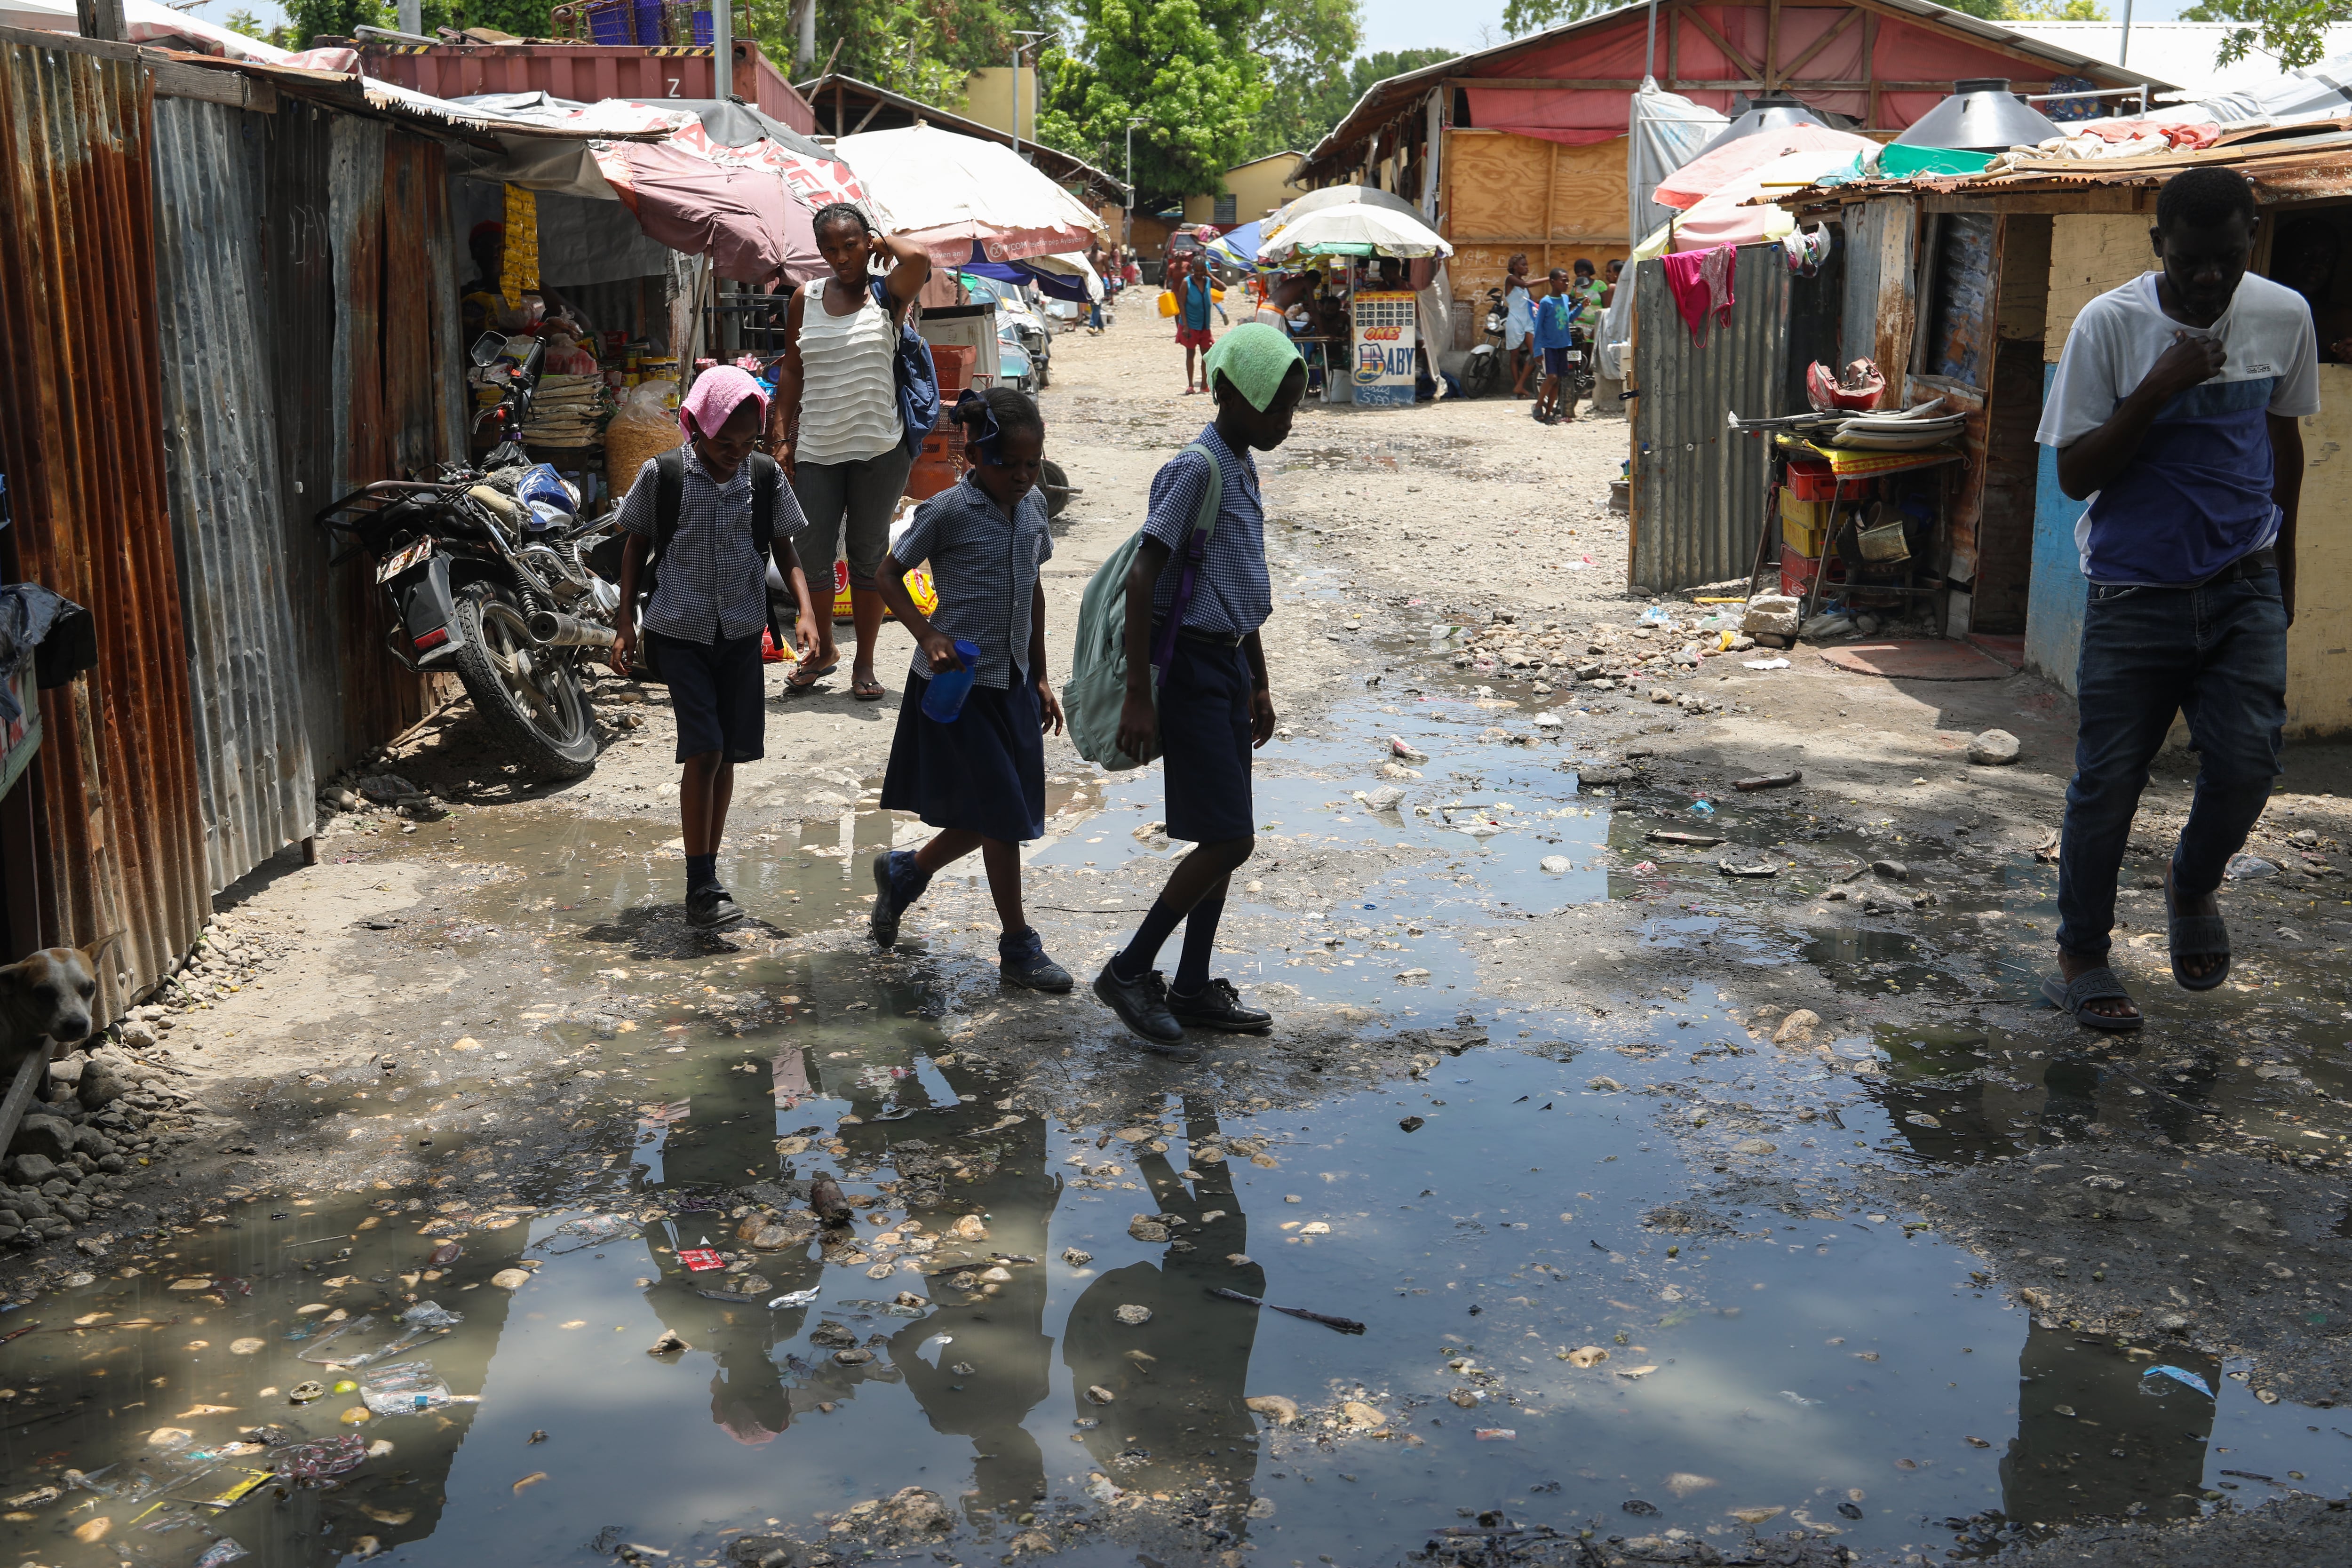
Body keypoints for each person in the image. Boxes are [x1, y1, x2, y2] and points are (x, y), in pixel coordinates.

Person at [2035, 166, 2318, 1030]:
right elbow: (2076, 474)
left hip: (2243, 582)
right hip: (2135, 591)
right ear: (2159, 245)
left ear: (2251, 243)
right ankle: (2083, 948)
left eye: (2227, 260)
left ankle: (2193, 883)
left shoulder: (2284, 315)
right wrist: (2159, 386)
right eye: (2191, 260)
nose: (2209, 279)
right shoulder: (2109, 324)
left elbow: (2284, 446)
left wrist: (2286, 569)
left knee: (2248, 766)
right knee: (2108, 784)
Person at [1092, 324, 1305, 1059]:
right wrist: (1138, 695)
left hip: (1229, 668)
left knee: (1224, 832)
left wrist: (1262, 676)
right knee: (1230, 839)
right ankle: (1128, 969)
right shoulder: (1196, 469)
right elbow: (1146, 575)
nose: (1286, 422)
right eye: (1276, 408)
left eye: (1291, 410)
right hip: (1186, 672)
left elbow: (1235, 583)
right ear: (1229, 396)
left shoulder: (1241, 466)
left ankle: (1191, 984)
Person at [865, 388, 1073, 991]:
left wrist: (1037, 674)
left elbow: (1031, 588)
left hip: (1009, 682)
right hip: (958, 686)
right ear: (977, 457)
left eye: (1032, 464)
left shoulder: (1033, 509)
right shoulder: (947, 512)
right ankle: (1018, 948)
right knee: (1003, 817)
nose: (1022, 475)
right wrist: (927, 633)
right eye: (1009, 464)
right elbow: (885, 575)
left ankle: (906, 872)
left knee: (997, 810)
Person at [610, 367, 822, 929]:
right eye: (722, 443)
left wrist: (804, 612)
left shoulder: (765, 477)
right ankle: (700, 881)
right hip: (677, 629)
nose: (734, 453)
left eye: (745, 443)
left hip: (740, 631)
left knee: (728, 752)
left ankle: (708, 873)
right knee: (702, 749)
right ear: (695, 428)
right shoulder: (663, 474)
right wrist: (625, 622)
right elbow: (634, 547)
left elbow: (786, 549)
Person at [771, 201, 932, 702]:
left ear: (867, 243)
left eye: (851, 245)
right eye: (830, 248)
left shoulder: (887, 294)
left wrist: (884, 244)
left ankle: (863, 664)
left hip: (879, 448)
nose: (841, 257)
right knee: (814, 554)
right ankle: (823, 654)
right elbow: (793, 369)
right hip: (818, 446)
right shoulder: (806, 298)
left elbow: (920, 259)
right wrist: (781, 434)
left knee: (866, 558)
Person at [1530, 267, 1578, 425]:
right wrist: (1537, 350)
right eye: (1563, 280)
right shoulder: (1545, 302)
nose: (1566, 283)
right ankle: (1538, 406)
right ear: (1553, 282)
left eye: (1567, 280)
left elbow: (1568, 319)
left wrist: (1582, 307)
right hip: (1549, 346)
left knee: (1557, 382)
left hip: (1563, 345)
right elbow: (1538, 328)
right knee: (1552, 377)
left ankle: (1549, 415)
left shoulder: (1565, 299)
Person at [1175, 256, 1216, 393]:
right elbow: (1181, 303)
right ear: (1192, 269)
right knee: (1190, 354)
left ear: (1205, 270)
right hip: (1191, 325)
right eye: (1196, 271)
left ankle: (1204, 385)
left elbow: (1224, 288)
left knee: (1206, 356)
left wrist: (1209, 275)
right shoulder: (1187, 283)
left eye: (1201, 271)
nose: (1198, 273)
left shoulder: (1208, 281)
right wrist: (1185, 325)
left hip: (1205, 326)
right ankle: (1191, 385)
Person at [1502, 253, 1534, 398]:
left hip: (1528, 321)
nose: (1527, 268)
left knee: (1536, 354)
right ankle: (1519, 389)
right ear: (1515, 267)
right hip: (1515, 320)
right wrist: (1551, 278)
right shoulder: (1510, 280)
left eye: (1527, 265)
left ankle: (1520, 386)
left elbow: (1534, 301)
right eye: (1523, 265)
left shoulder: (1525, 288)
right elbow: (1526, 284)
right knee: (1514, 356)